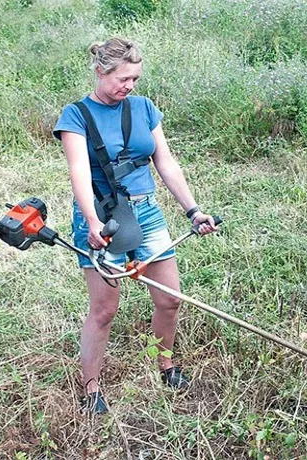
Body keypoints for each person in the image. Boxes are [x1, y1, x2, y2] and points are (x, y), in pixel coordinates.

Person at [53, 38, 217, 414]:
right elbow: (78, 172)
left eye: (135, 79)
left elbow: (166, 163)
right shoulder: (76, 115)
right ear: (100, 71)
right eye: (123, 78)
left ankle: (166, 364)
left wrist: (193, 210)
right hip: (102, 215)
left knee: (169, 298)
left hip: (146, 212)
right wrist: (93, 222)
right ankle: (91, 388)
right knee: (105, 309)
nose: (129, 86)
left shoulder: (143, 108)